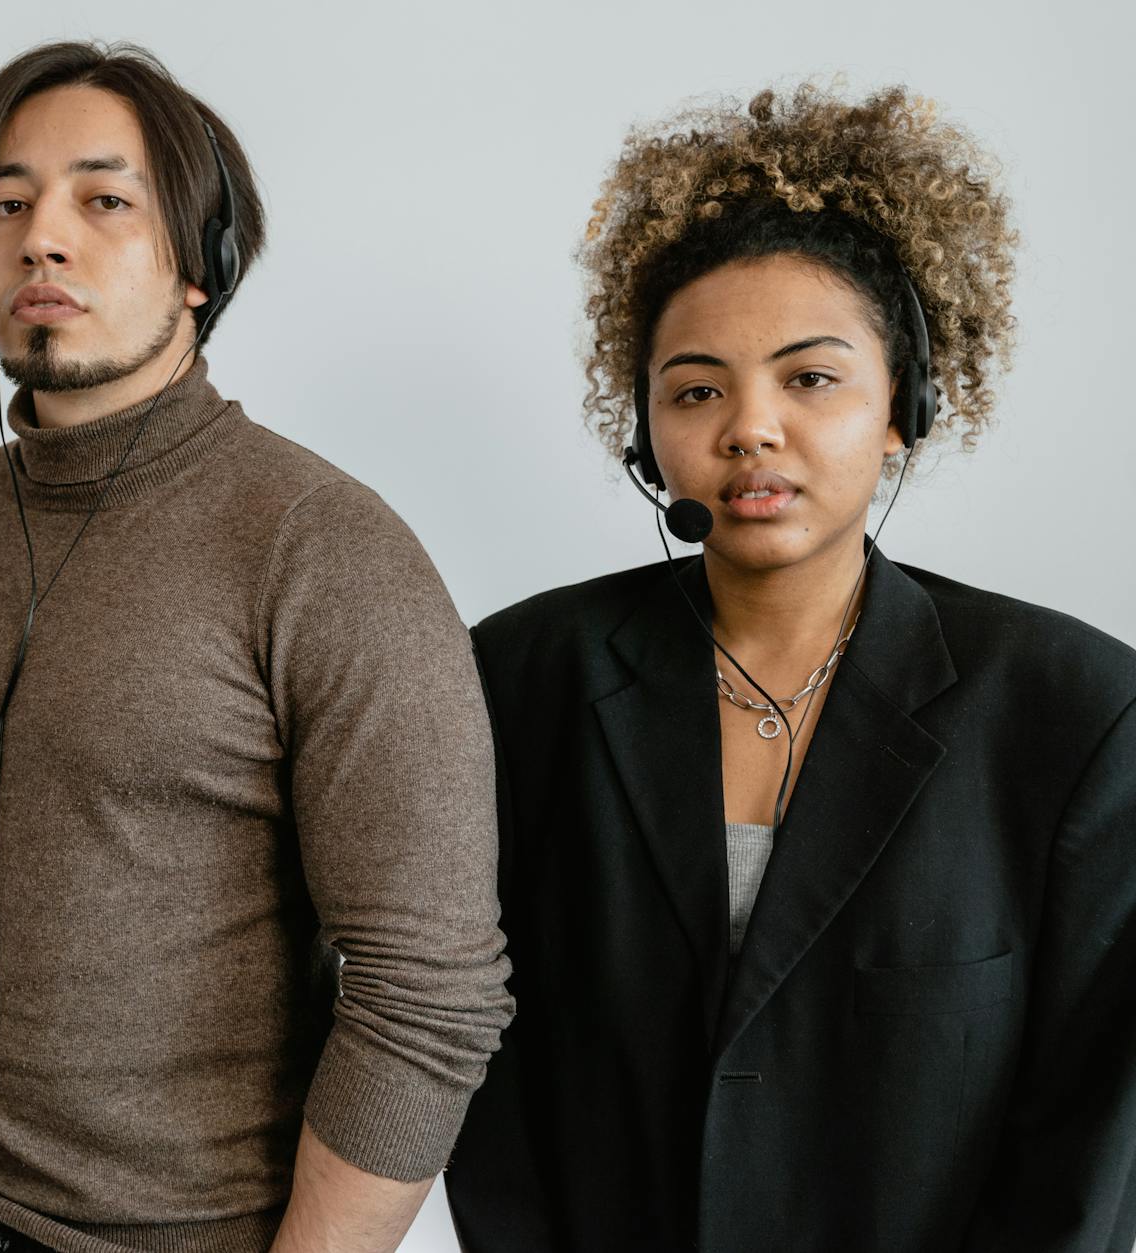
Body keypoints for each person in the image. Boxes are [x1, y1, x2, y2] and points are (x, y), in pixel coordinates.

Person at [446, 85, 1136, 1251]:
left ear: (903, 409)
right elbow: (479, 1061)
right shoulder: (518, 679)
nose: (748, 426)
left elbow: (1091, 1137)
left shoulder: (1074, 712)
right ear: (644, 432)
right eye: (695, 388)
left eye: (808, 378)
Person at [0, 40, 512, 1253]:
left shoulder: (324, 548)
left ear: (198, 264)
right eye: (7, 206)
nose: (41, 238)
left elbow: (431, 992)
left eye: (104, 200)